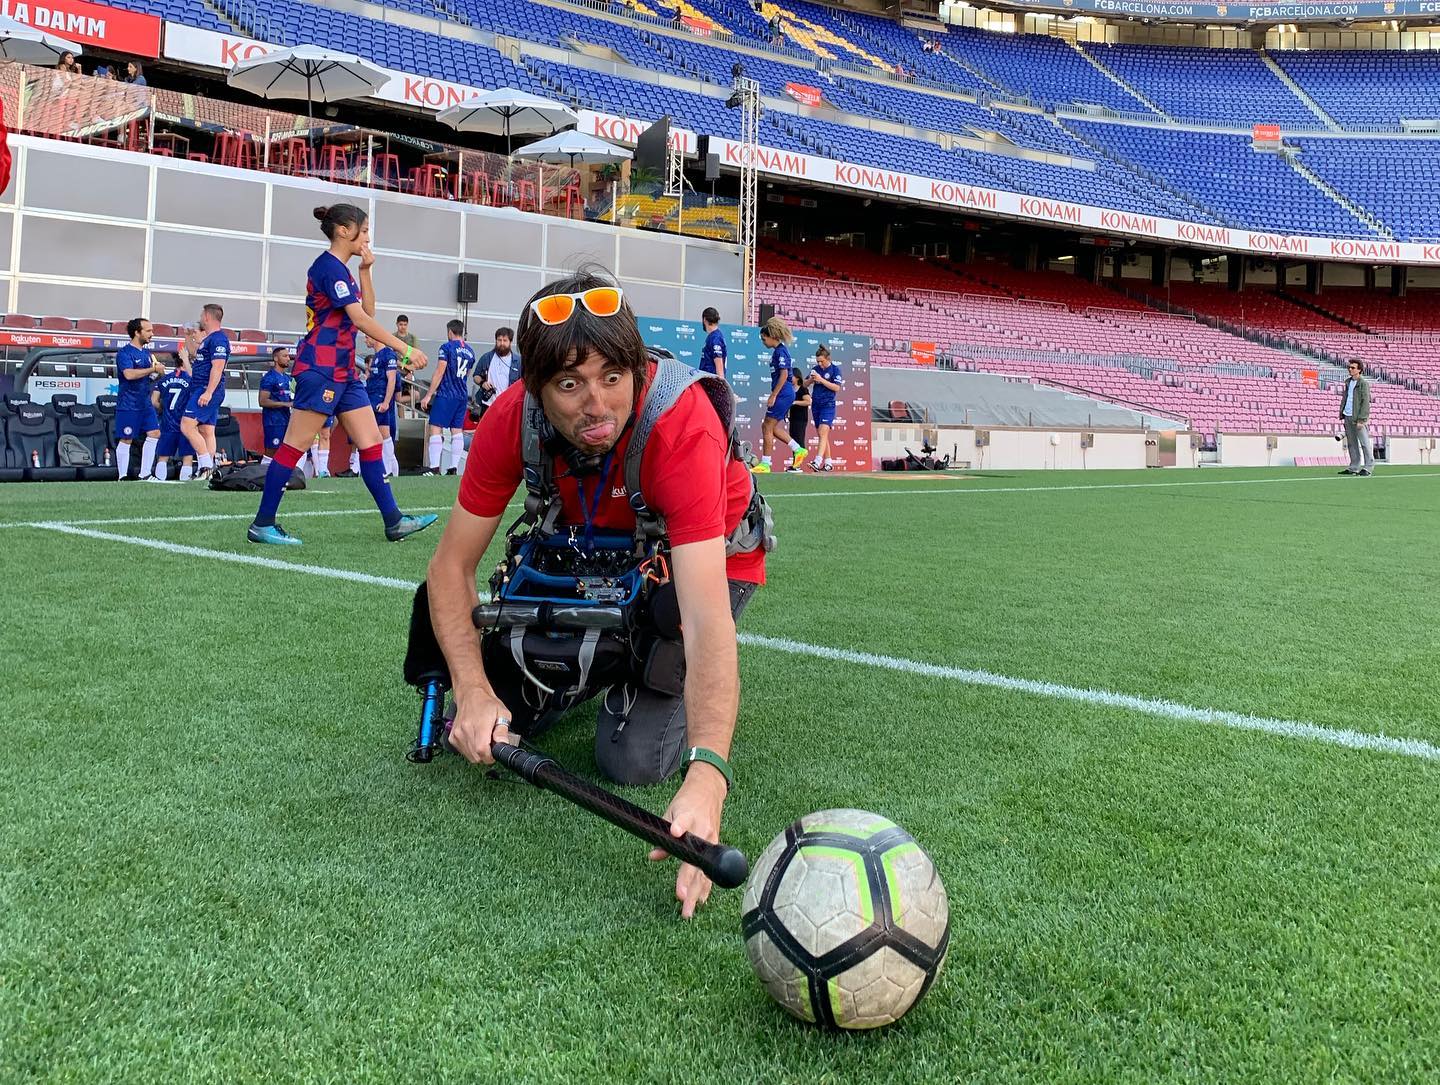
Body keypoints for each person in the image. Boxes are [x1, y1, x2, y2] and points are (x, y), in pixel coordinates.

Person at [425, 270, 770, 919]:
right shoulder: (511, 419)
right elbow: (449, 568)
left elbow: (703, 616)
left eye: (613, 376)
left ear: (637, 368)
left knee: (632, 758)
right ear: (536, 386)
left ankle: (627, 666)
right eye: (570, 383)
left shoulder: (681, 424)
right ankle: (599, 660)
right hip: (596, 554)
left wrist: (706, 776)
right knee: (500, 709)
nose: (597, 404)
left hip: (700, 567)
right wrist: (472, 690)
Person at [247, 203, 436, 545]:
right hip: (321, 368)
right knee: (295, 446)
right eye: (364, 231)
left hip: (344, 371)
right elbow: (364, 321)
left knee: (371, 443)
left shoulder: (345, 270)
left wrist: (366, 270)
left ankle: (394, 521)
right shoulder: (327, 267)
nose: (367, 237)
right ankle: (262, 523)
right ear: (345, 231)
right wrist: (405, 348)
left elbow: (367, 312)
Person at [179, 303, 229, 481]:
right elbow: (195, 354)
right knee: (206, 430)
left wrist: (208, 392)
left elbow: (218, 367)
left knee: (187, 425)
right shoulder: (208, 339)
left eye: (202, 315)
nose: (200, 318)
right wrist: (187, 337)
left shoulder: (219, 339)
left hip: (207, 390)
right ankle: (209, 471)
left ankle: (206, 467)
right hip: (201, 388)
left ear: (207, 316)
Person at [751, 315, 806, 474]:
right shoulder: (778, 351)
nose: (763, 342)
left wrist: (773, 395)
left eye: (764, 339)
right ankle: (798, 449)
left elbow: (783, 375)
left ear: (772, 337)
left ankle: (766, 464)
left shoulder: (780, 352)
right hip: (785, 393)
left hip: (783, 393)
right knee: (771, 427)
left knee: (767, 425)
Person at [113, 317, 165, 481]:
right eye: (148, 331)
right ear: (137, 332)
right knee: (127, 438)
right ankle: (122, 476)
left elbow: (150, 378)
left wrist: (159, 374)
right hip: (129, 403)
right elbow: (128, 374)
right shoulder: (125, 353)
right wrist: (152, 369)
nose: (152, 334)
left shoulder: (148, 354)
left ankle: (145, 474)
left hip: (145, 403)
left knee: (155, 433)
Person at [421, 319, 475, 476]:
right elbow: (467, 374)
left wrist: (428, 395)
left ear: (450, 332)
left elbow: (440, 371)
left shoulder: (446, 347)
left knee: (435, 427)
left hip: (447, 392)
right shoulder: (470, 351)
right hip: (462, 394)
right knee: (456, 430)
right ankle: (453, 468)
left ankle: (434, 468)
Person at [150, 355, 194, 482]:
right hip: (185, 422)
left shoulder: (164, 379)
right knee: (187, 456)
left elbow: (154, 401)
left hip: (168, 421)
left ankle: (159, 481)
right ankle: (186, 483)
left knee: (163, 456)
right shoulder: (191, 380)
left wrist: (163, 409)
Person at [365, 335, 401, 477]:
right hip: (373, 398)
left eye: (367, 337)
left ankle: (388, 470)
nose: (365, 340)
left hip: (379, 400)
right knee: (382, 436)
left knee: (382, 436)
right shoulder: (377, 356)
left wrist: (386, 402)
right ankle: (390, 470)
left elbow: (391, 379)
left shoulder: (388, 354)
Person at [806, 344, 843, 472]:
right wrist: (811, 379)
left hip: (828, 405)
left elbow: (837, 388)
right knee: (822, 434)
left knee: (822, 432)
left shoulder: (835, 370)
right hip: (816, 405)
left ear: (828, 359)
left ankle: (817, 461)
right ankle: (828, 462)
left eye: (821, 361)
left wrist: (821, 380)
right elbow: (804, 384)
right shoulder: (815, 369)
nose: (820, 364)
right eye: (818, 362)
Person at [473, 325, 521, 417]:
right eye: (499, 340)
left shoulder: (518, 362)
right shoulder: (486, 358)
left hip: (509, 406)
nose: (502, 343)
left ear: (510, 342)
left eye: (505, 340)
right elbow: (476, 376)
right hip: (488, 405)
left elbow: (523, 384)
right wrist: (483, 383)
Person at [258, 346, 293, 465]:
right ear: (276, 358)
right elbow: (262, 401)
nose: (288, 358)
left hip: (287, 419)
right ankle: (262, 475)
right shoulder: (269, 378)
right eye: (285, 356)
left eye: (288, 356)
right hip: (273, 421)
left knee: (286, 451)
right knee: (272, 451)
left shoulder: (288, 378)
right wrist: (285, 404)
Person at [1339, 358, 1373, 476]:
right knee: (1352, 444)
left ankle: (1368, 467)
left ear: (1359, 370)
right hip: (1348, 416)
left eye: (1353, 368)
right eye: (1349, 367)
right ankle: (1354, 467)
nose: (1350, 369)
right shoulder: (1348, 382)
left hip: (1358, 418)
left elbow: (1365, 402)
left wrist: (1362, 419)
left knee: (1364, 443)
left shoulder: (1363, 383)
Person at [786, 369, 809, 473]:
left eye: (792, 376)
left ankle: (798, 465)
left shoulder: (803, 389)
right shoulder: (790, 389)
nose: (790, 378)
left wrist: (795, 402)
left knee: (799, 439)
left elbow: (808, 401)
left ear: (797, 377)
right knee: (793, 440)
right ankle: (795, 463)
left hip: (801, 419)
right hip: (793, 418)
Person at [699, 307, 727, 380]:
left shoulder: (715, 338)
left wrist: (721, 386)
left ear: (704, 320)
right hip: (707, 381)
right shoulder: (713, 336)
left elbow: (719, 364)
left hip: (711, 383)